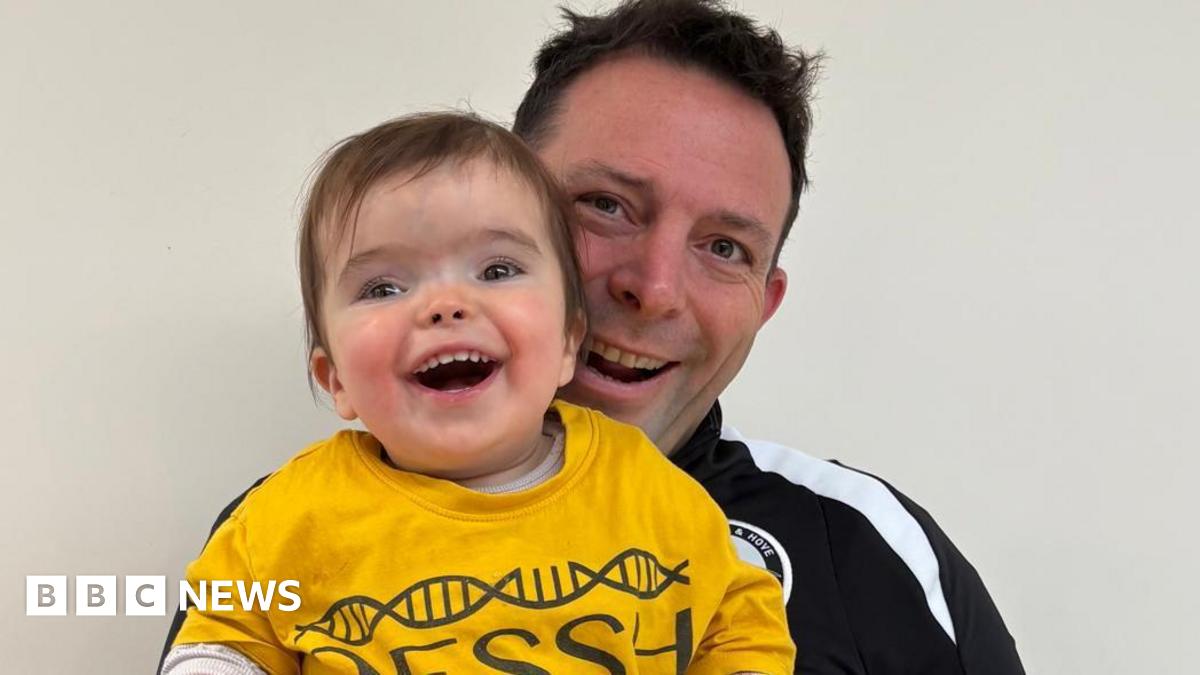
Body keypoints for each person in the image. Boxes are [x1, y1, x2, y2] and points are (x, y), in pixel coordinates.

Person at [163, 1, 1026, 673]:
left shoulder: (871, 546)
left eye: (724, 247)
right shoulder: (290, 524)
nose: (651, 289)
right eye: (604, 205)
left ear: (766, 302)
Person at [159, 113, 794, 675]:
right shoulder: (289, 518)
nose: (445, 306)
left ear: (569, 340)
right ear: (337, 381)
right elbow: (227, 631)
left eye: (496, 270)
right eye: (383, 288)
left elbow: (737, 615)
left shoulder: (646, 491)